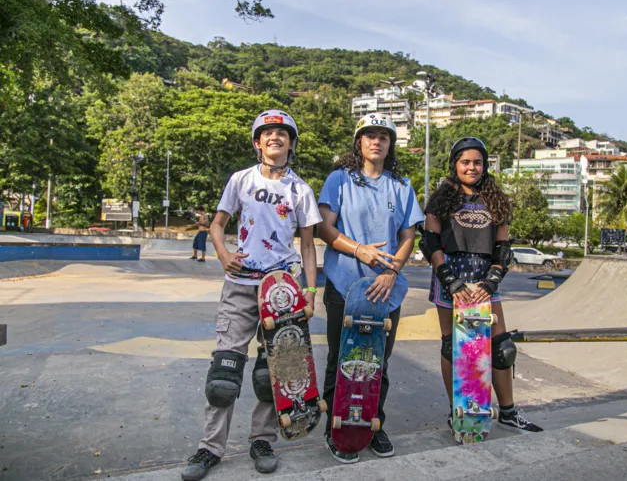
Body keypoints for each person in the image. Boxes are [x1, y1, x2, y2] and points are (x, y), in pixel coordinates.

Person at [182, 110, 321, 481]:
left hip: (283, 289)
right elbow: (217, 224)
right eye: (267, 133)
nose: (274, 137)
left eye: (282, 133)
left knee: (269, 371)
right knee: (224, 372)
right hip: (241, 285)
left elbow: (308, 247)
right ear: (257, 143)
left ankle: (262, 440)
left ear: (291, 143)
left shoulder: (301, 190)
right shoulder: (240, 180)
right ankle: (210, 447)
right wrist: (224, 254)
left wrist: (310, 292)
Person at [317, 113, 424, 463]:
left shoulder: (401, 185)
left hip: (385, 288)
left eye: (383, 136)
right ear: (359, 142)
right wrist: (359, 249)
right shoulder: (339, 180)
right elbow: (325, 230)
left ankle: (374, 425)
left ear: (390, 144)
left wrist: (392, 270)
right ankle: (336, 427)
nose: (376, 141)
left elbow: (408, 236)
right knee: (341, 358)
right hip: (344, 285)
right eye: (369, 136)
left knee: (378, 361)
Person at [421, 136, 543, 435]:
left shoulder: (496, 199)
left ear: (485, 166)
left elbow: (503, 246)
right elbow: (430, 242)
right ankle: (459, 411)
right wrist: (449, 278)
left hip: (485, 276)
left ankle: (508, 412)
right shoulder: (441, 198)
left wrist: (492, 280)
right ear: (455, 165)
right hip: (451, 276)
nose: (472, 167)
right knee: (454, 347)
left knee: (501, 348)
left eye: (477, 162)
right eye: (465, 162)